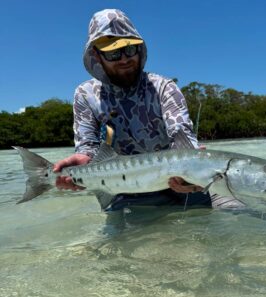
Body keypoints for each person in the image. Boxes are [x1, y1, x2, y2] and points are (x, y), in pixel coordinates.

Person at [53, 8, 209, 211]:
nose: (124, 59)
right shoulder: (85, 94)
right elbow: (88, 148)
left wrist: (192, 170)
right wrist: (84, 160)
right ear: (97, 56)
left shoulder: (163, 87)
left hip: (181, 184)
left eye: (130, 49)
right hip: (124, 194)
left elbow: (181, 135)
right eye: (113, 53)